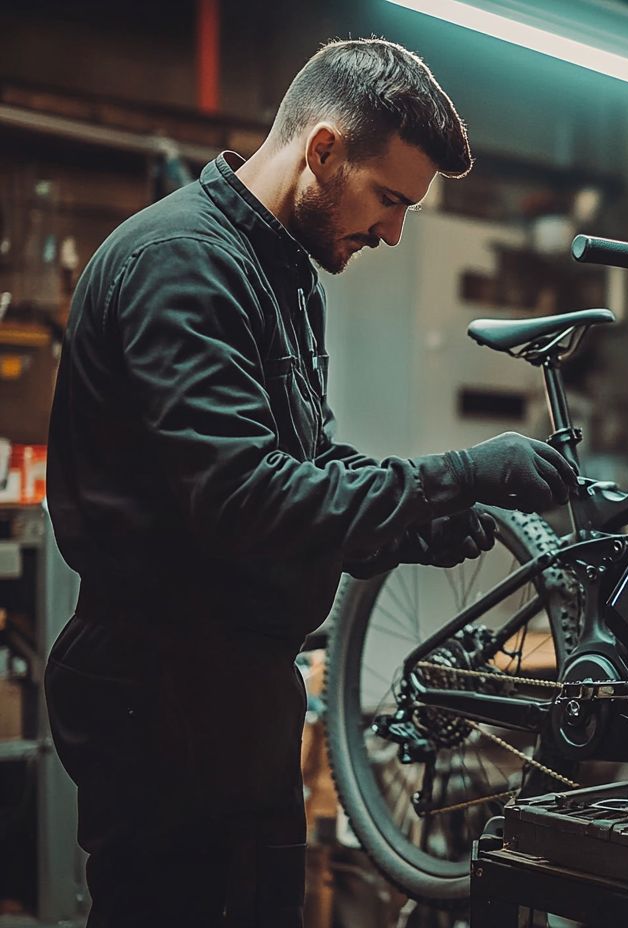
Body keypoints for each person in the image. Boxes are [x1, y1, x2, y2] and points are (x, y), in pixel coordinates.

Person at [43, 38, 576, 927]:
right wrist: (455, 473)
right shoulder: (181, 266)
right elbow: (246, 500)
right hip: (160, 691)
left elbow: (306, 466)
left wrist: (421, 520)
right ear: (323, 148)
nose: (396, 231)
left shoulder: (285, 272)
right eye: (391, 199)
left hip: (237, 686)